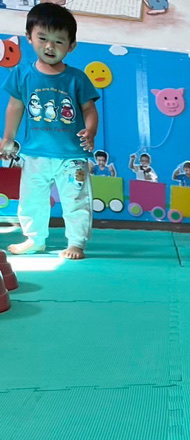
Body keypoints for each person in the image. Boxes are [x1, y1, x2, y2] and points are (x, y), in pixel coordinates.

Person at [1, 3, 98, 259]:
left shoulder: (76, 78)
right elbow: (15, 107)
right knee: (31, 199)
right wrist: (8, 138)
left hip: (72, 156)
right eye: (43, 38)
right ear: (29, 37)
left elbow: (89, 109)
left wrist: (90, 130)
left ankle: (76, 242)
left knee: (76, 200)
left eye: (58, 41)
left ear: (71, 46)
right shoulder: (22, 73)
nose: (49, 46)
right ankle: (34, 239)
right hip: (36, 153)